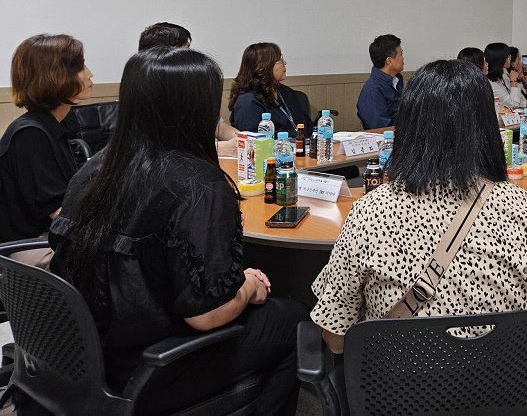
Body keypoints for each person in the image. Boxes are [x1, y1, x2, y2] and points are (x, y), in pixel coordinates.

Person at [49, 47, 307, 415]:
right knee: (293, 318)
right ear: (195, 109)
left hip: (82, 353)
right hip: (150, 367)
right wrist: (248, 286)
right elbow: (206, 316)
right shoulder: (198, 184)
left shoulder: (94, 169)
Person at [312, 60, 527, 353]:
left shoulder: (371, 212)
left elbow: (336, 338)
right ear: (485, 126)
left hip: (397, 393)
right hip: (507, 391)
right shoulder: (523, 208)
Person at [0, 34, 93, 267]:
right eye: (80, 67)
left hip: (51, 236)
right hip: (30, 246)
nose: (90, 73)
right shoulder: (30, 134)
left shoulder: (56, 124)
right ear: (54, 77)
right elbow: (60, 213)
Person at [139, 21, 239, 155]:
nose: (190, 55)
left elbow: (215, 126)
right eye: (186, 48)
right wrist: (219, 148)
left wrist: (241, 138)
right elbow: (158, 148)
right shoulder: (147, 93)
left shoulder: (186, 87)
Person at [229, 42, 314, 137]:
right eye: (279, 60)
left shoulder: (287, 92)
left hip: (302, 148)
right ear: (263, 66)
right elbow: (252, 141)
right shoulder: (248, 101)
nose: (284, 63)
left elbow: (307, 126)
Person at [356, 34, 404, 128]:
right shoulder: (372, 90)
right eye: (401, 54)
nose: (403, 58)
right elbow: (381, 128)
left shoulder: (397, 80)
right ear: (389, 61)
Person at [484, 42, 527, 109]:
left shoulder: (504, 73)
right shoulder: (490, 83)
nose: (510, 59)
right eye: (507, 56)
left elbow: (519, 100)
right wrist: (513, 81)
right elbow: (514, 105)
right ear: (500, 59)